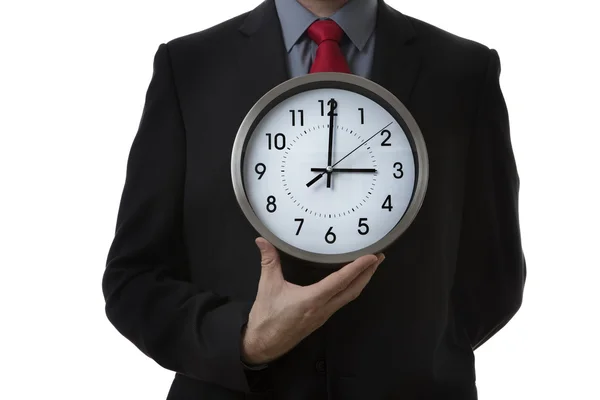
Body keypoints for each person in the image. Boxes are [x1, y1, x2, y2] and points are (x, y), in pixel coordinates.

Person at [102, 0, 526, 398]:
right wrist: (246, 340)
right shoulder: (190, 66)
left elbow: (493, 275)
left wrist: (418, 357)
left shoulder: (464, 71)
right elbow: (135, 279)